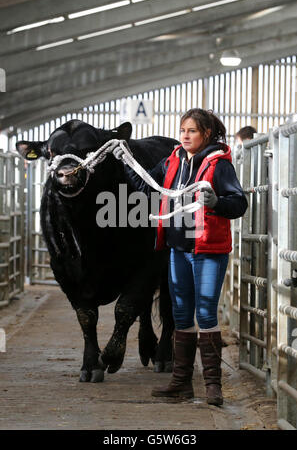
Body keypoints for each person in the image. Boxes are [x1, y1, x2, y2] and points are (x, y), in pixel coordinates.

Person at [112, 108, 248, 406]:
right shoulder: (173, 159)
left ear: (207, 134)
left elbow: (238, 204)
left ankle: (213, 385)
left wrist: (217, 202)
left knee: (206, 313)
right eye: (183, 130)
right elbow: (148, 187)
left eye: (192, 131)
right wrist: (126, 164)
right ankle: (181, 383)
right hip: (178, 249)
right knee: (182, 314)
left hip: (208, 249)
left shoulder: (219, 164)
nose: (185, 135)